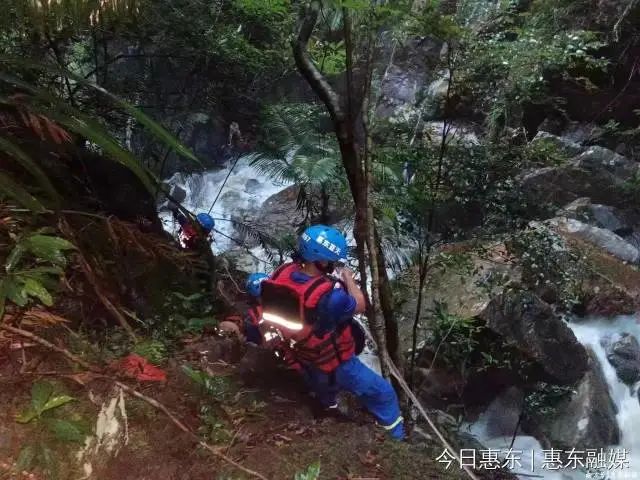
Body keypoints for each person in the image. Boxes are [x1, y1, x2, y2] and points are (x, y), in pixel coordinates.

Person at [259, 224, 405, 440]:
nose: (332, 264)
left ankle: (329, 409)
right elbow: (360, 304)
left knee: (324, 390)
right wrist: (348, 279)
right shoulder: (330, 297)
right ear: (322, 260)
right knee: (384, 394)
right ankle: (396, 438)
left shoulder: (282, 272)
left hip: (302, 353)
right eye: (331, 261)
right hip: (336, 363)